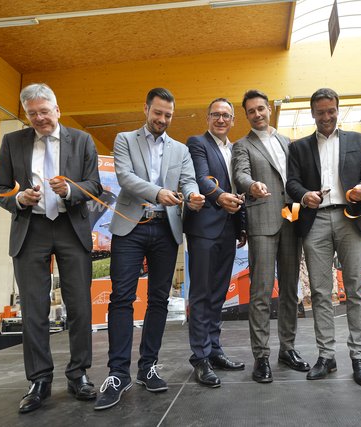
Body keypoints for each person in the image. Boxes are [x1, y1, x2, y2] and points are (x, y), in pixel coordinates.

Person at [0, 83, 103, 413]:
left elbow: (95, 185)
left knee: (80, 306)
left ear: (57, 109)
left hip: (71, 227)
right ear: (27, 115)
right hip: (31, 229)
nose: (40, 118)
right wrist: (19, 199)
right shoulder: (13, 142)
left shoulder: (81, 140)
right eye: (33, 113)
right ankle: (39, 380)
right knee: (34, 310)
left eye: (44, 111)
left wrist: (70, 190)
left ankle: (78, 374)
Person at [94, 88, 205, 410]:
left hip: (166, 229)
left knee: (158, 299)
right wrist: (158, 193)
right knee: (121, 298)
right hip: (130, 227)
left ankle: (148, 367)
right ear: (146, 109)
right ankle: (117, 374)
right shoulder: (124, 140)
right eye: (158, 113)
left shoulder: (180, 150)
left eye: (168, 115)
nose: (162, 120)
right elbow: (126, 178)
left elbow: (188, 181)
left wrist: (194, 194)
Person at [286, 87, 361, 386]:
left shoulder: (358, 140)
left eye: (331, 111)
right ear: (312, 113)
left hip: (351, 217)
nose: (326, 116)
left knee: (357, 289)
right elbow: (292, 183)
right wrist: (304, 195)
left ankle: (359, 357)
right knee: (322, 292)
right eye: (320, 112)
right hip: (316, 221)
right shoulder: (298, 147)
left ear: (338, 110)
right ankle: (326, 356)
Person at [232, 89, 309, 384]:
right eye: (251, 111)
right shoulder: (242, 145)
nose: (257, 114)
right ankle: (261, 356)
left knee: (290, 290)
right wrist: (251, 186)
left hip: (291, 219)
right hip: (262, 221)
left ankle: (287, 349)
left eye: (261, 109)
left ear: (269, 110)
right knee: (261, 292)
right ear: (247, 115)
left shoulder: (286, 142)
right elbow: (240, 175)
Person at [183, 98, 247, 387]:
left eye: (226, 115)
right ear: (207, 118)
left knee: (219, 294)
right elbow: (200, 177)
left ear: (233, 121)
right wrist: (220, 197)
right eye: (215, 115)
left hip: (229, 228)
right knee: (200, 294)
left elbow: (239, 188)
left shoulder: (236, 150)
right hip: (204, 228)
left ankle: (214, 349)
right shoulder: (197, 143)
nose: (221, 119)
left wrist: (241, 225)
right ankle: (200, 357)